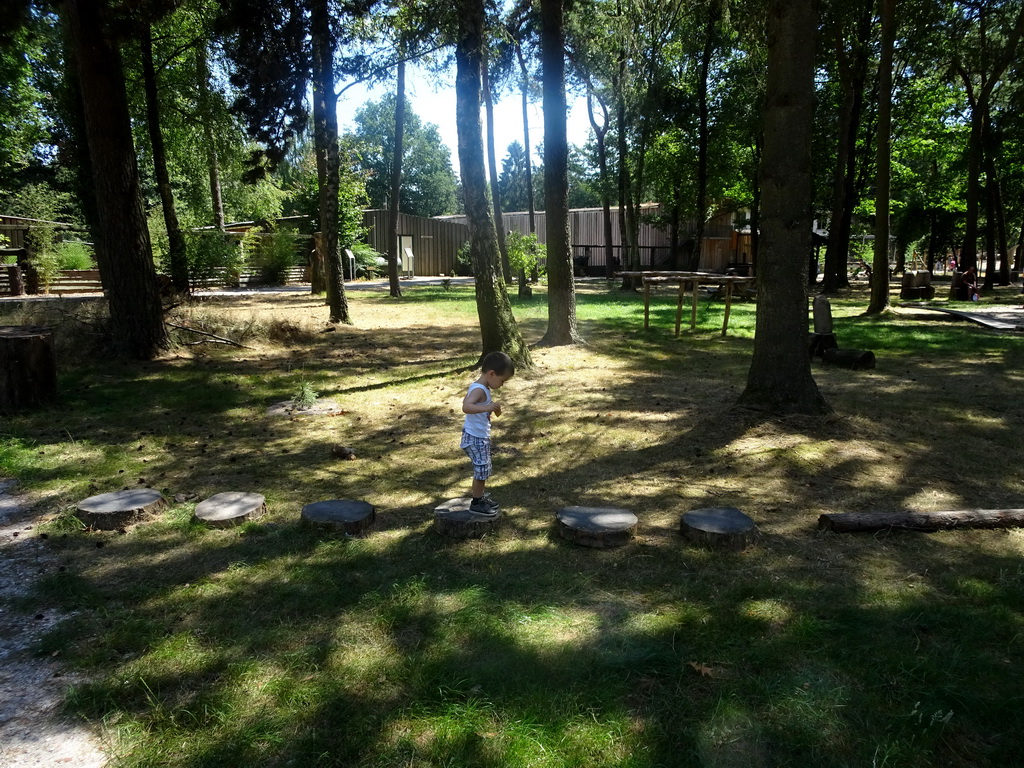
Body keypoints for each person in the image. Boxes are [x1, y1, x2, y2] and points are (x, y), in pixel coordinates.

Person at [460, 351, 514, 516]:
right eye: (502, 380)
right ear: (491, 374)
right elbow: (466, 407)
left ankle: (480, 497)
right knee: (482, 469)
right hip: (475, 438)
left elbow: (473, 405)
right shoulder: (479, 389)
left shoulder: (481, 388)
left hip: (479, 436)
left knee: (484, 468)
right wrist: (486, 407)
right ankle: (477, 502)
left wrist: (489, 410)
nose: (502, 385)